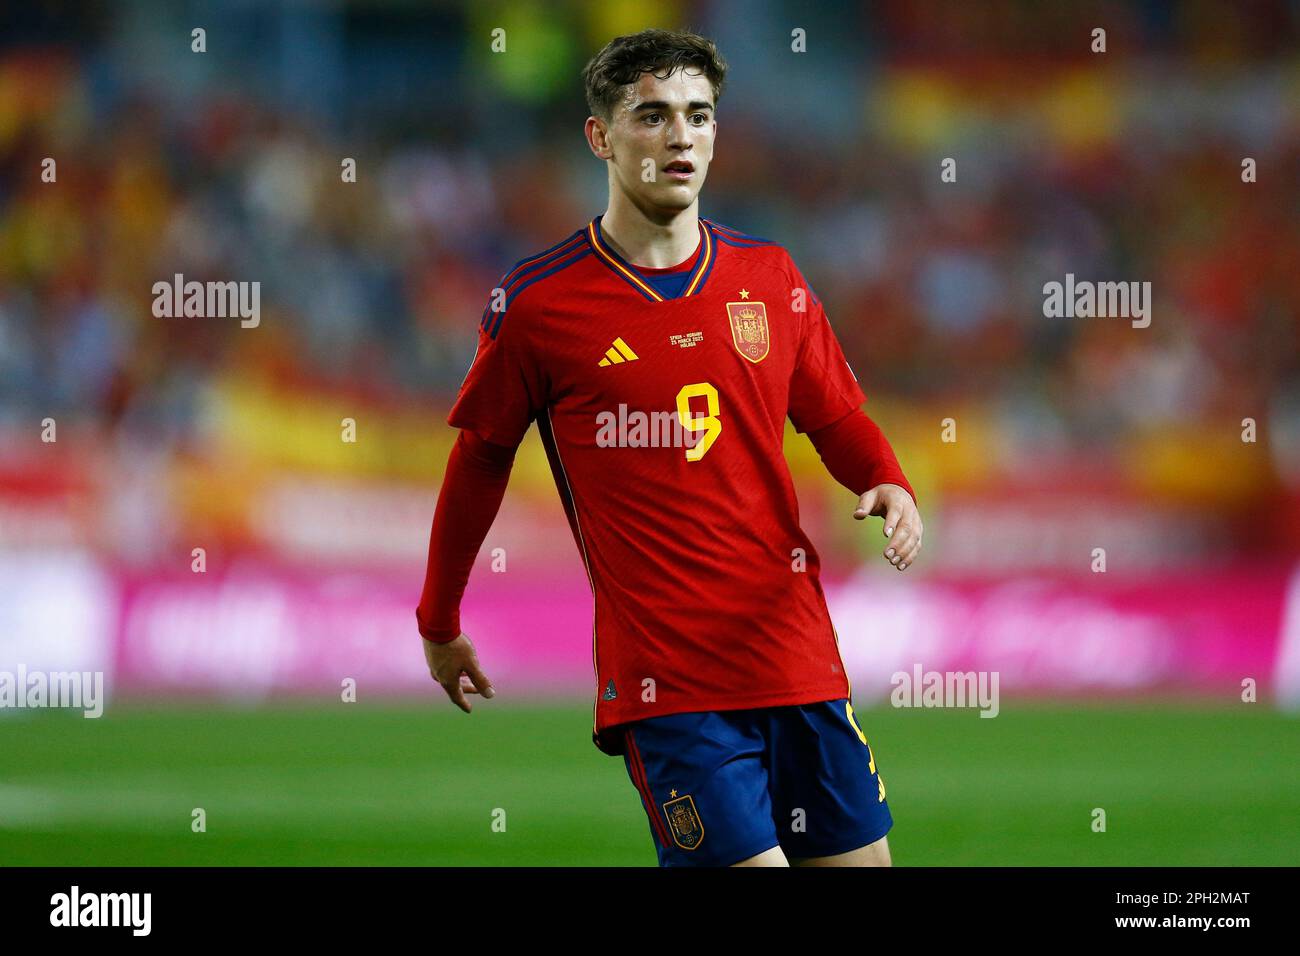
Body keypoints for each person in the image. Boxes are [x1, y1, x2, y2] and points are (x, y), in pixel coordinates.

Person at [416, 27, 922, 867]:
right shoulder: (538, 304)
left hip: (797, 656)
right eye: (652, 115)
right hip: (670, 683)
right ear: (601, 137)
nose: (680, 135)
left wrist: (888, 479)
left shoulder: (770, 277)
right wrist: (439, 618)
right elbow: (480, 459)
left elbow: (836, 419)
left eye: (699, 114)